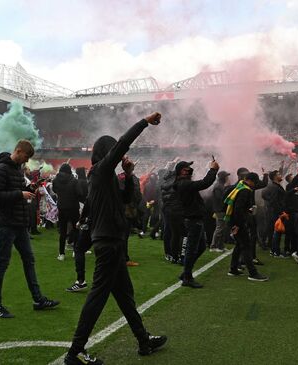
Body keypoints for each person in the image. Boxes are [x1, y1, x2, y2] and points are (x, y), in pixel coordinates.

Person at [65, 113, 166, 365]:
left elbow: (126, 200)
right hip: (108, 243)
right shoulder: (100, 171)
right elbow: (122, 143)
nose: (119, 155)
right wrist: (144, 122)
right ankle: (74, 352)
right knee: (98, 297)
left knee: (125, 296)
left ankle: (143, 341)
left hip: (114, 242)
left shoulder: (106, 177)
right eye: (113, 151)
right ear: (106, 152)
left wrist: (130, 174)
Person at [0, 141, 59, 318]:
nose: (26, 161)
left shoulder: (17, 170)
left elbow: (17, 190)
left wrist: (30, 188)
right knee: (2, 263)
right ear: (18, 151)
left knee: (29, 260)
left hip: (19, 224)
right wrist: (20, 194)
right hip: (7, 224)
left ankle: (38, 300)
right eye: (26, 157)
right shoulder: (2, 169)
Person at [175, 160, 219, 288]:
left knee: (200, 247)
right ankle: (187, 278)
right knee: (191, 249)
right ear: (182, 171)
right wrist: (213, 170)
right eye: (187, 168)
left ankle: (186, 273)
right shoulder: (183, 183)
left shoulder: (183, 183)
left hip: (195, 218)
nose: (190, 169)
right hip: (192, 219)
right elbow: (205, 183)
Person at [225, 172, 269, 282]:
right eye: (254, 182)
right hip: (238, 223)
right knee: (246, 246)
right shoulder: (245, 190)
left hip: (234, 221)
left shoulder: (239, 186)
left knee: (240, 245)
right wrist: (238, 225)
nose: (255, 185)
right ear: (251, 181)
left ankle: (233, 268)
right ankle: (253, 273)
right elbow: (238, 210)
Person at [53, 163, 80, 261]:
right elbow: (79, 193)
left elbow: (54, 190)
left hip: (62, 208)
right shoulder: (74, 181)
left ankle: (61, 254)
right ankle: (75, 251)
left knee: (63, 231)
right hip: (73, 208)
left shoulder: (56, 180)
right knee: (76, 230)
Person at [209, 171, 231, 252]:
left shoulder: (220, 185)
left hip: (221, 209)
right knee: (220, 228)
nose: (228, 178)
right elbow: (221, 199)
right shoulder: (218, 186)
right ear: (223, 177)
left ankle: (220, 246)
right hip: (219, 210)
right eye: (226, 176)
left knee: (222, 228)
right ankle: (213, 246)